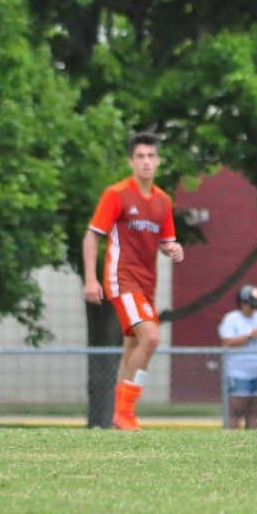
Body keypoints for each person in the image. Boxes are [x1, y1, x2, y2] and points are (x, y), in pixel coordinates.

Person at [83, 132, 184, 431]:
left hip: (147, 284)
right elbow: (92, 236)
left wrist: (173, 248)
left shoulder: (163, 201)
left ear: (158, 160)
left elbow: (166, 242)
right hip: (122, 278)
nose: (146, 162)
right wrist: (90, 279)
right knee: (150, 338)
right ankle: (126, 413)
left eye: (151, 156)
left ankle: (118, 416)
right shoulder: (117, 194)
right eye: (140, 156)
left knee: (132, 346)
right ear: (131, 161)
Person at [219, 285, 257, 430]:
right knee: (237, 408)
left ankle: (252, 437)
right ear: (242, 303)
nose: (254, 308)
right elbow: (227, 342)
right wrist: (250, 335)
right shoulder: (231, 319)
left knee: (255, 410)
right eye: (251, 305)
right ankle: (231, 438)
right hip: (238, 371)